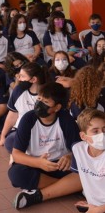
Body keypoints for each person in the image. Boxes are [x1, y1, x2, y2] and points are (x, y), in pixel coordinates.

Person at [11, 82, 81, 210]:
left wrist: (70, 156)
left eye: (46, 102)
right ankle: (68, 188)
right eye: (39, 99)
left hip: (60, 166)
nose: (39, 104)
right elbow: (16, 154)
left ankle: (38, 195)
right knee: (16, 173)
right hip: (37, 165)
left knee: (83, 173)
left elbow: (79, 149)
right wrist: (39, 163)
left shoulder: (66, 120)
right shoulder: (28, 119)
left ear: (57, 107)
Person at [0, 62, 48, 153]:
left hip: (42, 131)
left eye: (22, 76)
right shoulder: (18, 91)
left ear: (33, 79)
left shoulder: (47, 93)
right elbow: (12, 116)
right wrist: (2, 137)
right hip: (20, 130)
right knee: (10, 141)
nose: (18, 79)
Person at [71, 109, 105, 212]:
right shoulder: (77, 149)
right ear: (83, 136)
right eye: (95, 131)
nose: (102, 135)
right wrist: (92, 202)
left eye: (104, 129)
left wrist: (98, 209)